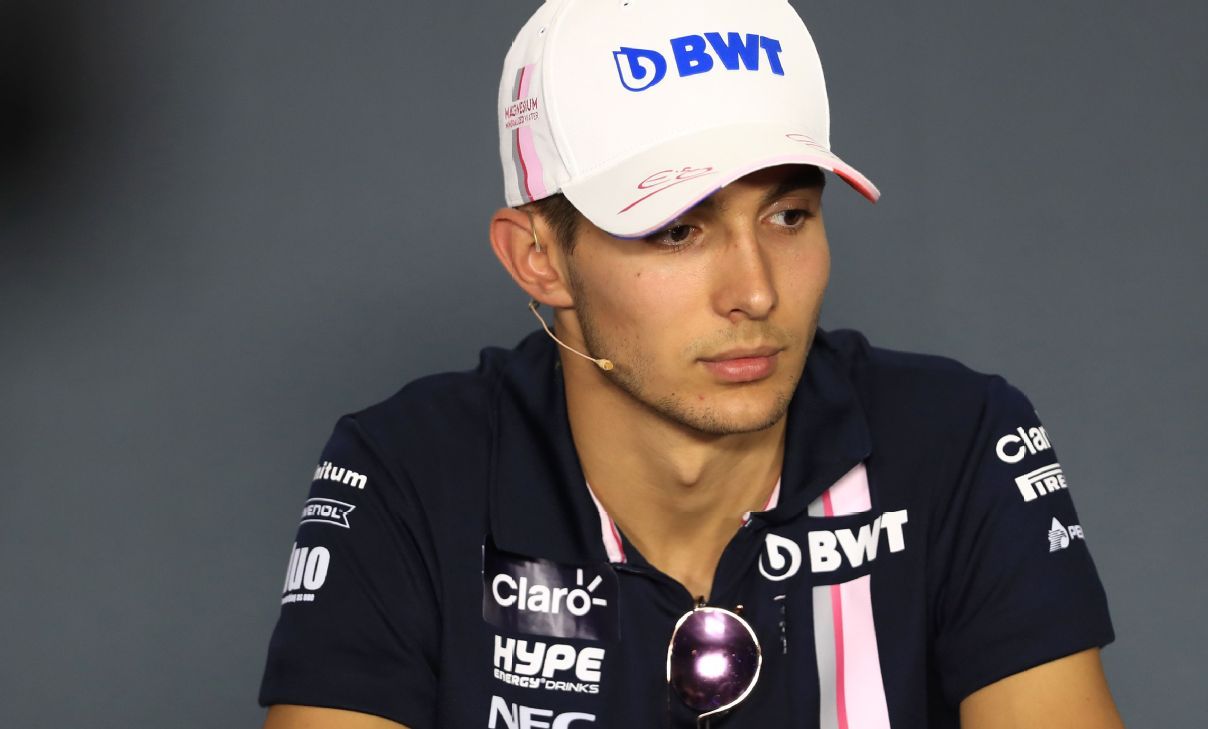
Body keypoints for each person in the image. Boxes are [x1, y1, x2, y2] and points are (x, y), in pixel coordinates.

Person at [258, 1, 1123, 727]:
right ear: (538, 258)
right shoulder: (410, 472)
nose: (755, 292)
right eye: (677, 229)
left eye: (788, 216)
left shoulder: (957, 442)